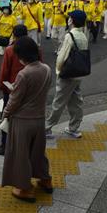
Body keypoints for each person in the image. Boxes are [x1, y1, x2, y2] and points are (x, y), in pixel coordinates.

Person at [1, 36, 52, 203]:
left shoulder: (24, 74)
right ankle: (45, 179)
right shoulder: (46, 69)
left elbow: (14, 101)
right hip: (39, 118)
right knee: (38, 152)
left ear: (21, 56)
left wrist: (6, 113)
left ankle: (24, 188)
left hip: (22, 120)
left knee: (20, 154)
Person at [45, 10, 88, 139]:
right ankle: (73, 128)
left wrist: (58, 70)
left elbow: (63, 55)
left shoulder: (70, 35)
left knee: (59, 101)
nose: (68, 19)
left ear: (72, 21)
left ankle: (46, 128)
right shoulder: (83, 35)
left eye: (70, 18)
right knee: (76, 101)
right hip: (78, 72)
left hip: (67, 73)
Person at [0, 25, 29, 155]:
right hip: (29, 89)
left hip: (12, 88)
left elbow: (4, 72)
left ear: (14, 35)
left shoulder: (10, 50)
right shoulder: (35, 48)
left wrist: (2, 87)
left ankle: (5, 144)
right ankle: (24, 143)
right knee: (25, 116)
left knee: (7, 116)